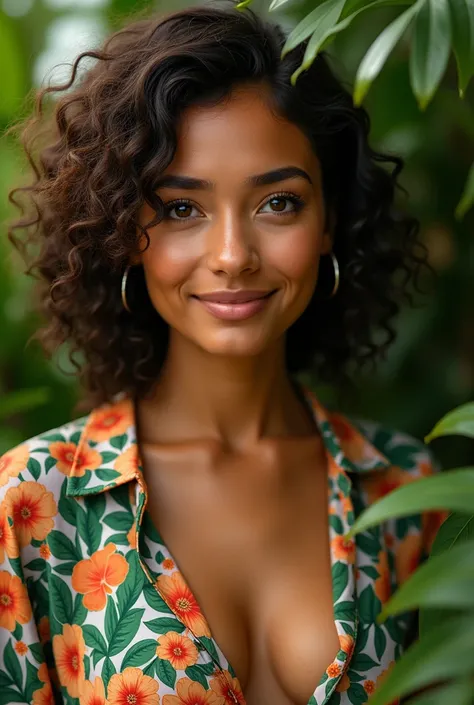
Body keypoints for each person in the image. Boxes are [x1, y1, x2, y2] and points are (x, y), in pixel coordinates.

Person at [0, 3, 447, 705]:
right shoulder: (32, 505)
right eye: (181, 208)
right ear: (124, 231)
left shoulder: (407, 495)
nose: (233, 255)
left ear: (329, 219)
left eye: (278, 203)